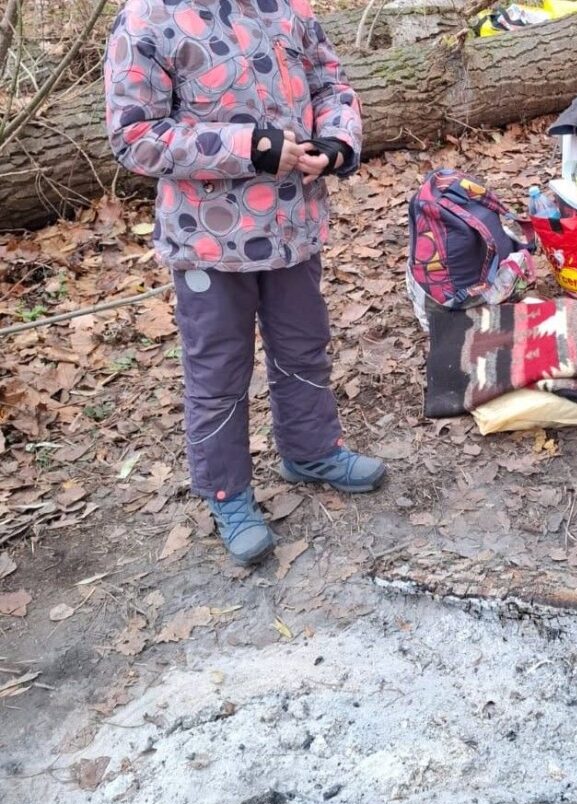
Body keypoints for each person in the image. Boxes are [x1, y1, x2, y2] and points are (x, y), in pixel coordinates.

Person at [104, 0, 385, 566]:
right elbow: (135, 136)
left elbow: (330, 85)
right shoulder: (146, 19)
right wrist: (249, 148)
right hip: (208, 242)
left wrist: (335, 143)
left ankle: (311, 452)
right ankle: (226, 493)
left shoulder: (286, 8)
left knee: (303, 348)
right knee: (217, 372)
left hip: (293, 227)